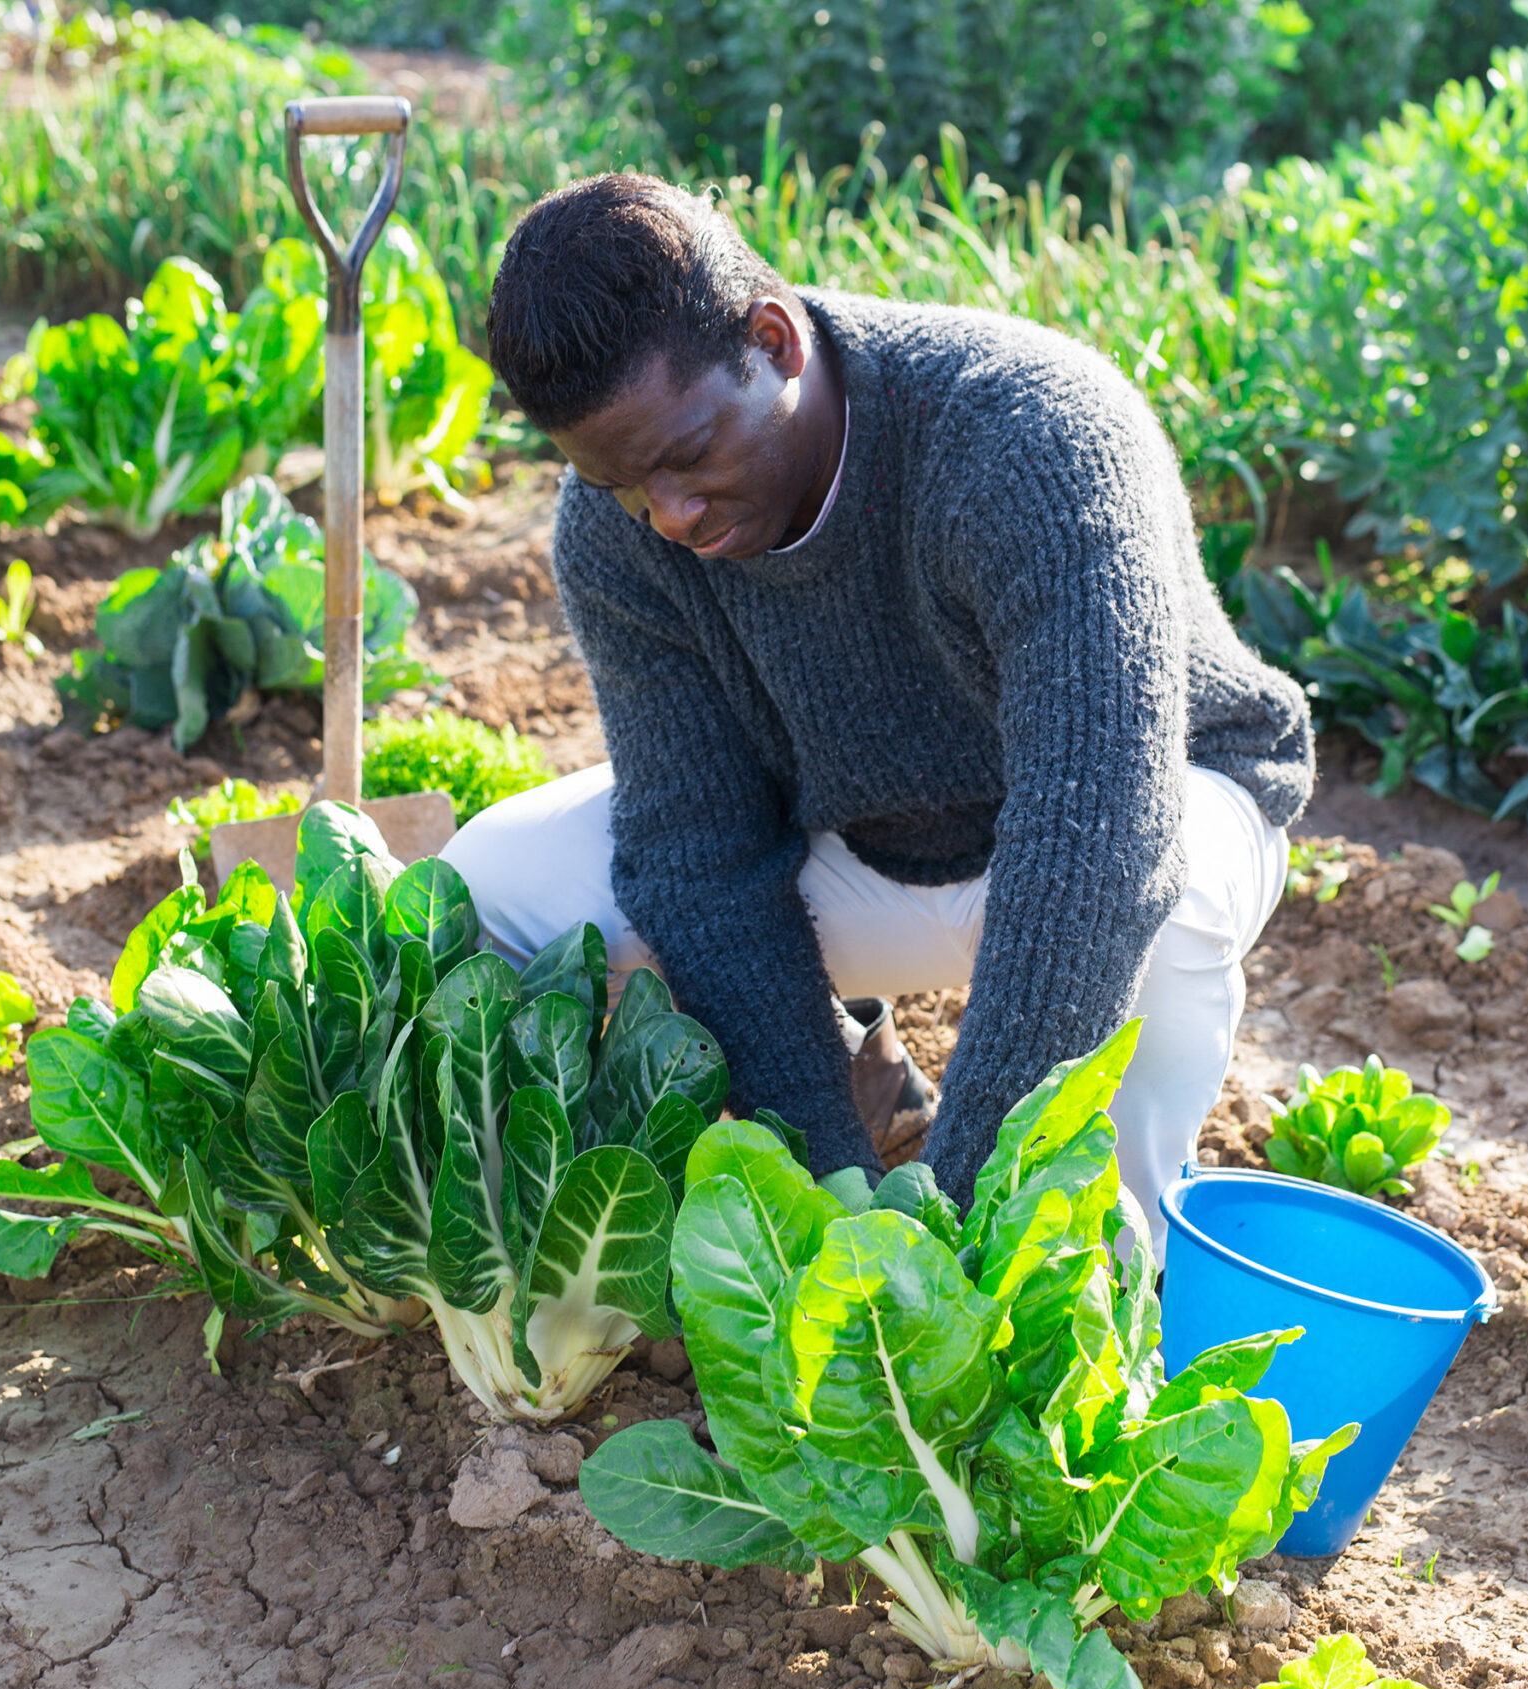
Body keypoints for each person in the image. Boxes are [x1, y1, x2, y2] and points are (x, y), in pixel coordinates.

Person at [442, 172, 1310, 1240]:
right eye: (624, 485)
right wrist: (830, 1194)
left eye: (687, 458)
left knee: (1158, 913)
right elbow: (697, 856)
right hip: (864, 840)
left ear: (774, 339)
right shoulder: (618, 531)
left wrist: (949, 1226)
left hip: (1148, 810)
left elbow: (1097, 847)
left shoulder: (1026, 437)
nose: (667, 515)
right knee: (500, 879)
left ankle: (1095, 1266)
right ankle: (863, 1075)